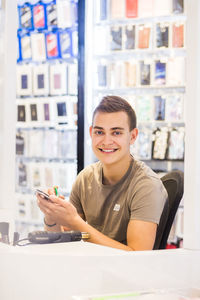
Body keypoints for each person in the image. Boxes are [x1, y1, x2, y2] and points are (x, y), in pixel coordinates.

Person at [37, 95, 168, 251]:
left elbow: (137, 256)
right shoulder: (86, 178)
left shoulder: (147, 185)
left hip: (126, 273)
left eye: (116, 133)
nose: (106, 141)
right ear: (91, 132)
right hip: (90, 269)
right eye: (99, 132)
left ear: (132, 136)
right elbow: (63, 242)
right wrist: (52, 216)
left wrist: (75, 221)